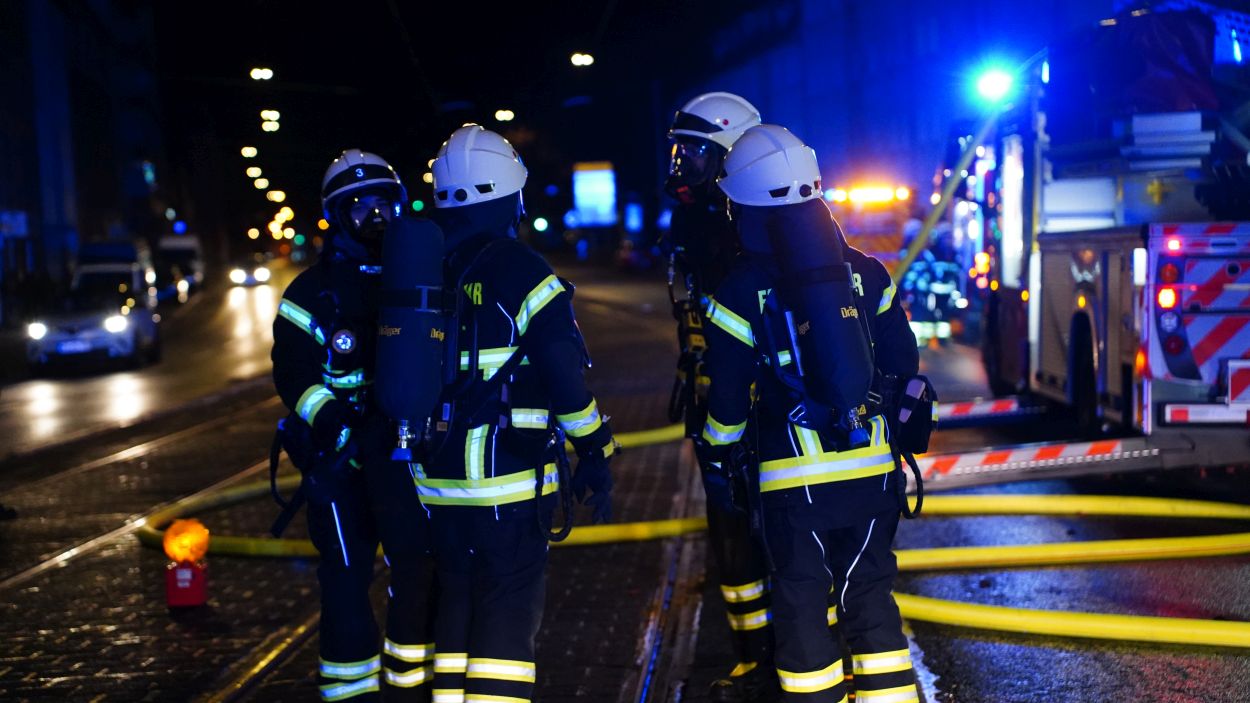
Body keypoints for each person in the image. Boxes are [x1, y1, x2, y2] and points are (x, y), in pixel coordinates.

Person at [699, 124, 920, 703]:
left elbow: (727, 403)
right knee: (869, 598)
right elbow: (903, 364)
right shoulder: (867, 272)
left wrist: (717, 457)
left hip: (793, 487)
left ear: (743, 204)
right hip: (874, 475)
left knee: (801, 606)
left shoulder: (738, 290)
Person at [421, 124, 614, 702]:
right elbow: (564, 380)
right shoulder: (523, 270)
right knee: (506, 612)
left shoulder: (423, 267)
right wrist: (596, 451)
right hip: (505, 482)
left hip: (434, 482)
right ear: (511, 195)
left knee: (455, 605)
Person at [271, 149, 435, 701]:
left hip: (405, 456)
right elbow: (293, 375)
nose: (376, 217)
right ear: (336, 216)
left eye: (384, 203)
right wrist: (333, 421)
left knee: (417, 571)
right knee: (345, 576)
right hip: (340, 463)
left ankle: (411, 689)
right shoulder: (309, 295)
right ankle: (351, 692)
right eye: (360, 206)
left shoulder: (422, 277)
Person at [663, 92, 780, 702]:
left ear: (731, 154)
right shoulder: (694, 221)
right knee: (730, 531)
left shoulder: (756, 220)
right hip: (717, 395)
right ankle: (754, 654)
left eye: (694, 152)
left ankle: (800, 652)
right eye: (679, 152)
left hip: (765, 402)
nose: (682, 164)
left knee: (779, 528)